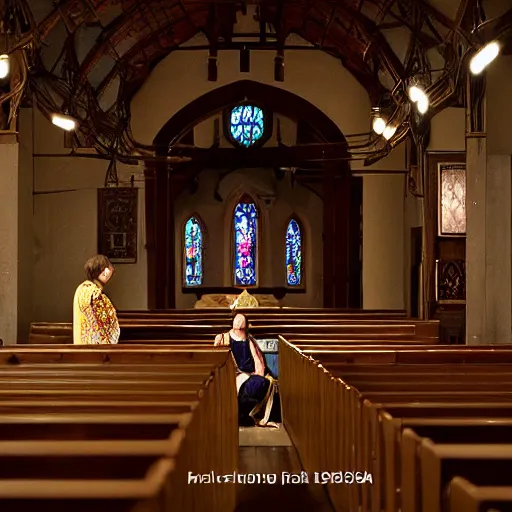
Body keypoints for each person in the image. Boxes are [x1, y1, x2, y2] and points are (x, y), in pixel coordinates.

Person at [214, 312, 280, 427]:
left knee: (262, 383)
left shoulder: (249, 341)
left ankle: (244, 414)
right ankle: (239, 415)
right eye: (237, 319)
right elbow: (217, 359)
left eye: (241, 321)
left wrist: (259, 373)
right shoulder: (223, 338)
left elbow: (257, 361)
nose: (239, 322)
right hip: (232, 375)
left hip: (250, 375)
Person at [73, 254, 120, 345]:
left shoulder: (81, 288)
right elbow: (108, 324)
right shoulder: (95, 294)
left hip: (81, 344)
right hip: (95, 349)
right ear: (104, 272)